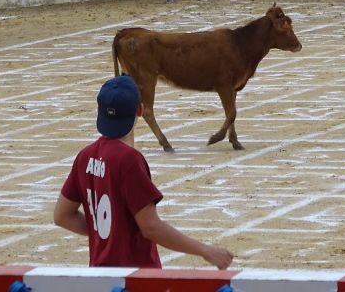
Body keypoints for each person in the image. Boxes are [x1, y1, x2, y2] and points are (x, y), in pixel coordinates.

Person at [54, 75, 232, 268]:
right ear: (139, 110)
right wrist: (206, 251)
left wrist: (109, 233)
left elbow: (62, 216)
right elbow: (150, 227)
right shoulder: (128, 160)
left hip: (99, 276)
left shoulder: (85, 156)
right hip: (136, 276)